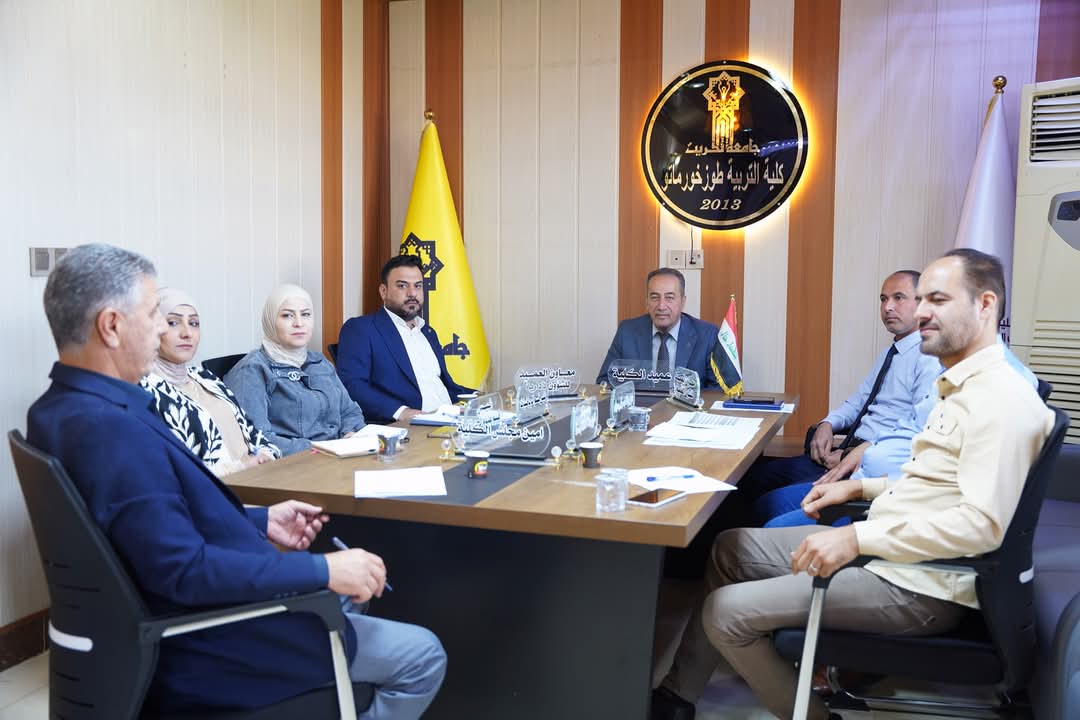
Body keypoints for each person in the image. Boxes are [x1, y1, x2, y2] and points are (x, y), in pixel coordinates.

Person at [27, 244, 446, 717]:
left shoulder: (60, 410)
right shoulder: (112, 431)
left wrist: (260, 520)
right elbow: (184, 571)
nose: (163, 329)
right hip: (221, 636)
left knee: (353, 592)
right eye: (154, 315)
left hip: (217, 597)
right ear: (111, 325)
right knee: (423, 654)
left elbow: (156, 521)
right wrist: (322, 570)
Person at [651, 249, 1055, 720]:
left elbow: (980, 527)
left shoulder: (1002, 399)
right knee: (729, 547)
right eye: (922, 298)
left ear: (985, 305)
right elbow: (935, 485)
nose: (922, 312)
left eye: (938, 299)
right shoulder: (960, 385)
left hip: (918, 583)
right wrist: (860, 490)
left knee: (724, 612)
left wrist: (856, 538)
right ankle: (678, 696)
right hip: (891, 546)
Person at [742, 270, 940, 525]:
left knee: (767, 505)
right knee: (751, 479)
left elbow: (915, 429)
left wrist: (854, 454)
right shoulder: (894, 351)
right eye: (883, 299)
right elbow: (860, 401)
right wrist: (828, 423)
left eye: (898, 298)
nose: (888, 307)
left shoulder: (929, 357)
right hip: (843, 452)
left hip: (866, 464)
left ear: (922, 303)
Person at [140, 287, 280, 476]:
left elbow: (253, 432)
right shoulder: (145, 391)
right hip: (221, 489)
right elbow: (167, 472)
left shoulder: (205, 377)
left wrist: (266, 455)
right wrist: (239, 468)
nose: (187, 333)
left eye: (194, 323)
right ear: (151, 328)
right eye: (173, 323)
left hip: (258, 479)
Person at [225, 284, 366, 455]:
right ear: (270, 320)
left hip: (338, 455)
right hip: (295, 463)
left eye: (305, 314)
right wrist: (320, 448)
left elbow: (350, 411)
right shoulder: (252, 370)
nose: (299, 323)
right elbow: (256, 438)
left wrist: (351, 433)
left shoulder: (319, 362)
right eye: (287, 315)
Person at [336, 255, 473, 424]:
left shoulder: (428, 332)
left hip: (450, 420)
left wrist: (479, 399)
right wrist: (402, 412)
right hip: (405, 427)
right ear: (383, 291)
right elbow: (352, 385)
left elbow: (445, 386)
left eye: (418, 286)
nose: (412, 293)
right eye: (402, 286)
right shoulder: (361, 329)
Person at [596, 268, 720, 388]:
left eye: (669, 298)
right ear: (647, 302)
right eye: (655, 297)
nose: (661, 306)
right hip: (640, 402)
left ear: (682, 302)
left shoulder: (707, 335)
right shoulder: (627, 332)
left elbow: (718, 389)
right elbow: (605, 381)